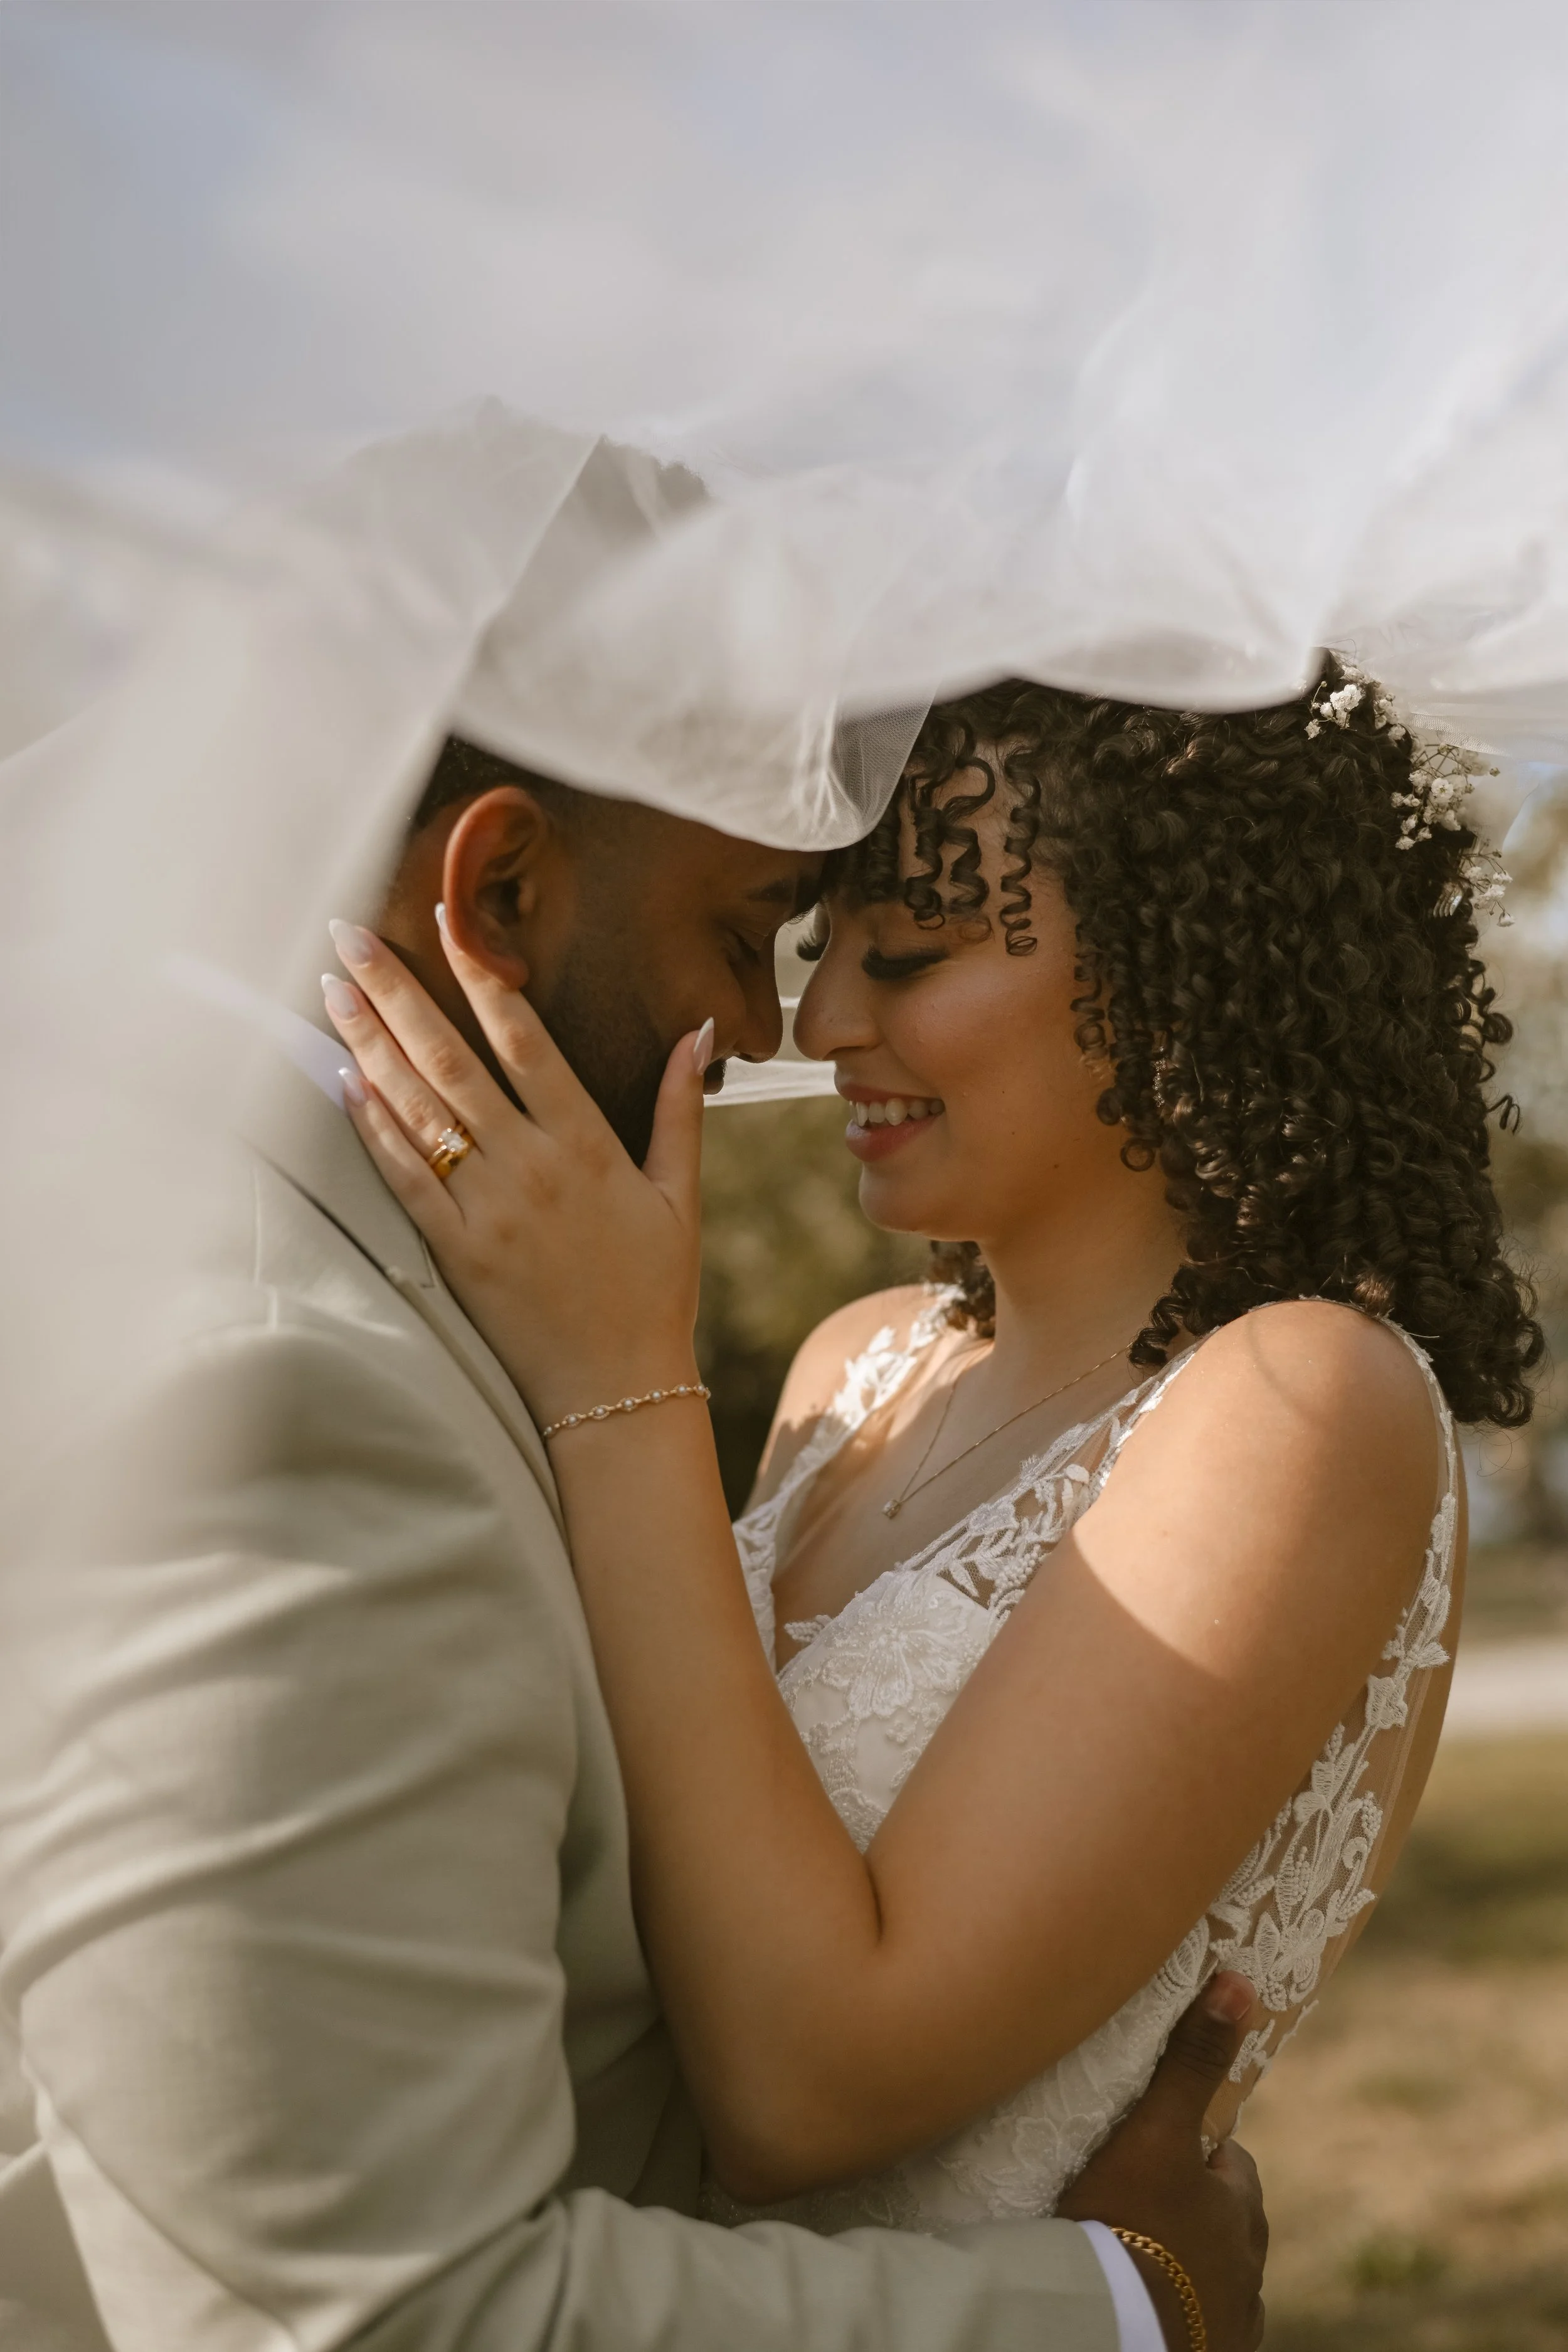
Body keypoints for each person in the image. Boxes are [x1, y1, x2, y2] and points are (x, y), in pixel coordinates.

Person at [0, 731, 1268, 2352]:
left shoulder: (182, 1226)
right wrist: (1121, 2304)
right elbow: (385, 2315)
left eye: (895, 949)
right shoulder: (282, 1382)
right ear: (499, 888)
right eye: (750, 935)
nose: (768, 1033)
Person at [327, 664, 1540, 2286]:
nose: (819, 1022)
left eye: (905, 952)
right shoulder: (853, 1368)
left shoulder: (1301, 1399)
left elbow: (803, 2083)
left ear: (1175, 961)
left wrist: (621, 1373)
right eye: (821, 939)